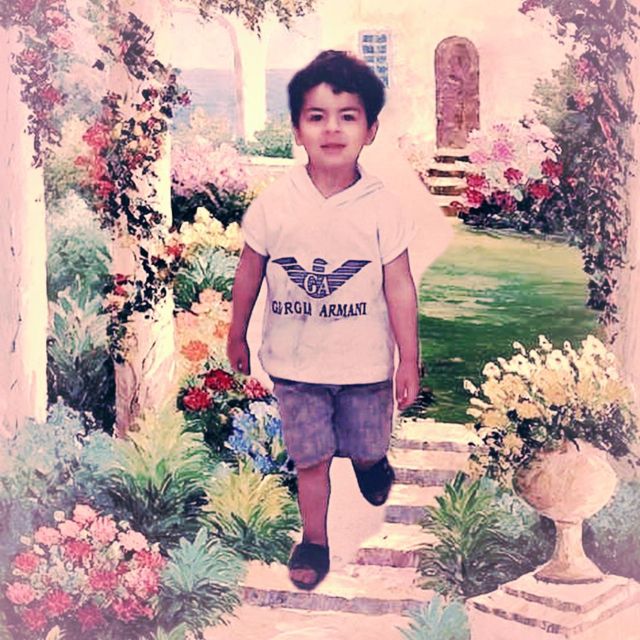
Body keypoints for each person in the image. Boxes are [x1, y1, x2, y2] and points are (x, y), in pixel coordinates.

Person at [227, 50, 419, 591]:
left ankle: (370, 462)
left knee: (366, 442)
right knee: (309, 458)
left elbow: (399, 286)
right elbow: (249, 272)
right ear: (296, 129)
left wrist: (409, 359)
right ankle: (314, 539)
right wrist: (237, 332)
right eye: (316, 116)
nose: (332, 129)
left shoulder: (382, 206)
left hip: (365, 366)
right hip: (297, 365)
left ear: (371, 130)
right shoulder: (274, 205)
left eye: (347, 116)